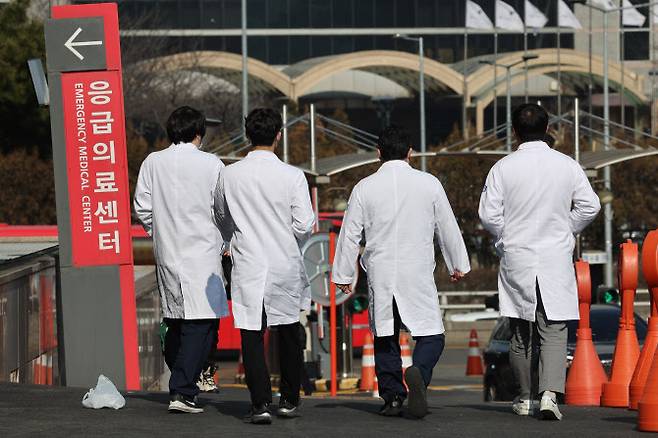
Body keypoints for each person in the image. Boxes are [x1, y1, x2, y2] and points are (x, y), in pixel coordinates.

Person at [332, 125, 471, 418]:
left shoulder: (364, 187)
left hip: (381, 270)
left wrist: (344, 275)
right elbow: (446, 225)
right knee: (432, 334)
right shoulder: (429, 183)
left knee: (385, 334)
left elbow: (349, 234)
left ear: (378, 153)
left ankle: (393, 397)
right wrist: (457, 263)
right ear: (411, 152)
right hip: (416, 268)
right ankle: (418, 371)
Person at [478, 103, 601, 421]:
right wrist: (566, 228)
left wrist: (507, 235)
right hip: (554, 257)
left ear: (514, 132)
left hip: (518, 256)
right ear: (548, 129)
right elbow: (590, 206)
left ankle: (524, 396)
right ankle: (549, 395)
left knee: (521, 329)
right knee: (555, 329)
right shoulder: (566, 165)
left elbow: (488, 215)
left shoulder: (503, 167)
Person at [214, 108, 315, 425]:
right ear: (278, 135)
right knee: (288, 332)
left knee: (251, 334)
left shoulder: (230, 173)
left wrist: (233, 235)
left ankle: (259, 404)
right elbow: (305, 223)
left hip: (249, 262)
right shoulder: (292, 175)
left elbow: (220, 214)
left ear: (248, 136)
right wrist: (287, 233)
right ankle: (288, 399)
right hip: (283, 260)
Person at [134, 106, 229, 413]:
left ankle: (181, 381)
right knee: (201, 323)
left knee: (175, 319)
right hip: (202, 252)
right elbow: (222, 208)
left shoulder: (153, 162)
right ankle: (182, 390)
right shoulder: (211, 164)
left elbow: (142, 207)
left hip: (167, 252)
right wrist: (226, 238)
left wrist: (159, 232)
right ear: (198, 133)